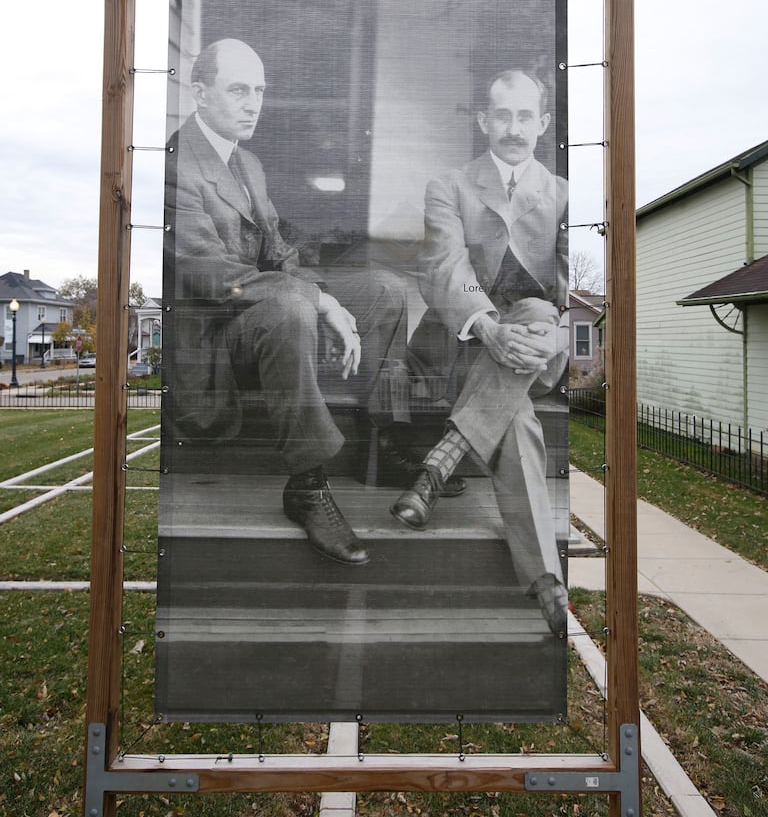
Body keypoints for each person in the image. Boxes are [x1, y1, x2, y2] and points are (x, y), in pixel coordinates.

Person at [166, 38, 413, 567]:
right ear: (200, 93)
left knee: (386, 290)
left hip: (259, 313)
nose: (253, 103)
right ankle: (308, 485)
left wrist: (318, 290)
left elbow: (276, 252)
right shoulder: (176, 164)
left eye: (259, 90)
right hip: (213, 343)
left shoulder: (246, 163)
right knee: (293, 307)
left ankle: (382, 439)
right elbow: (208, 273)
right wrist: (318, 300)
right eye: (238, 90)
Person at [394, 67, 570, 635]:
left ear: (542, 122)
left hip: (536, 350)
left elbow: (570, 294)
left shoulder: (563, 195)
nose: (513, 128)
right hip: (463, 345)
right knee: (516, 420)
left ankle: (437, 467)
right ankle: (547, 579)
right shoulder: (449, 186)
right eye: (502, 115)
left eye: (525, 116)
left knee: (540, 316)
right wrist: (488, 326)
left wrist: (556, 334)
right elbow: (444, 266)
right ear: (483, 121)